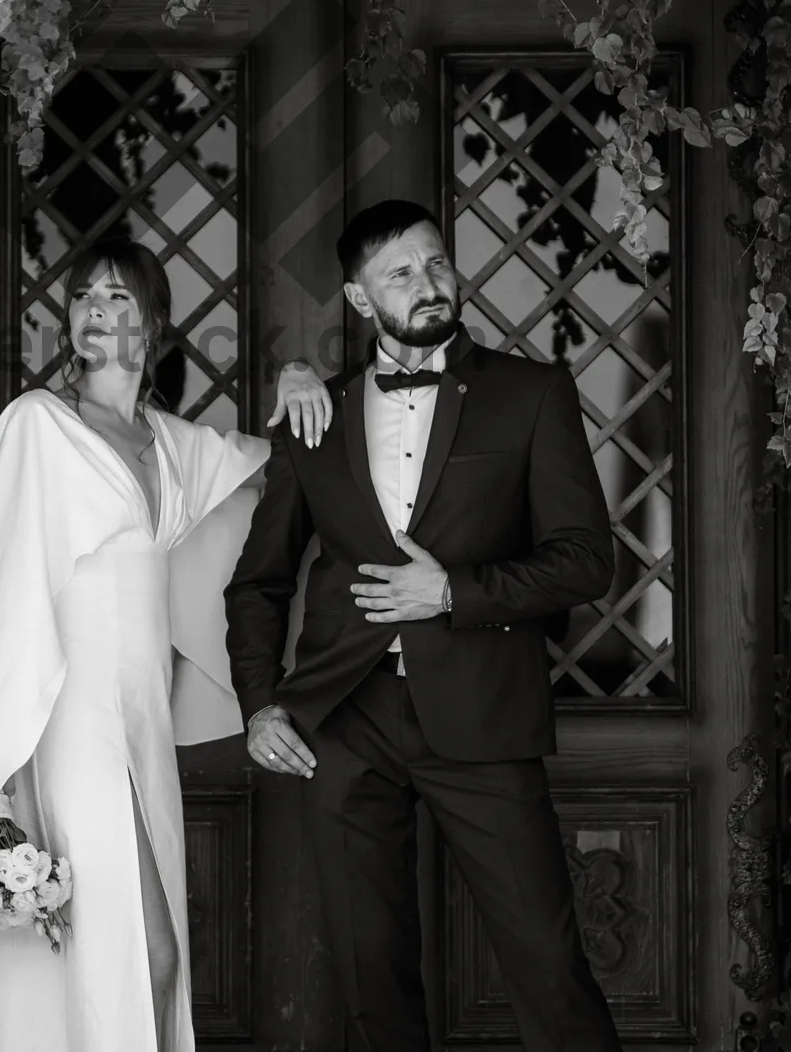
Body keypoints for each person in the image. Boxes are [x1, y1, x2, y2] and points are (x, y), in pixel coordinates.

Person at [224, 199, 622, 1052]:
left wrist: (454, 592)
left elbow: (588, 558)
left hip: (483, 710)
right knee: (373, 984)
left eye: (436, 262)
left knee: (549, 970)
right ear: (361, 299)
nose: (428, 283)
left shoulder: (532, 393)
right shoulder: (313, 415)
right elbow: (256, 581)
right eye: (399, 272)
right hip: (345, 719)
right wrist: (260, 703)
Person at [0, 234, 332, 1052]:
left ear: (152, 326)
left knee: (127, 964)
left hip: (142, 732)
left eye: (116, 296)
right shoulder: (36, 425)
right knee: (148, 955)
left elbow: (289, 462)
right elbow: (4, 599)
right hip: (69, 726)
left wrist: (301, 378)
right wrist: (9, 785)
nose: (95, 310)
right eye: (82, 297)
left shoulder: (173, 446)